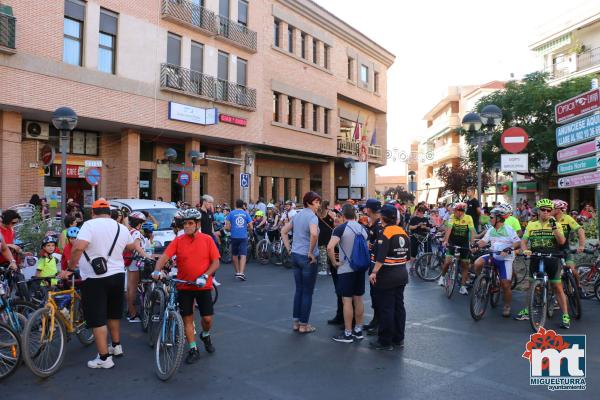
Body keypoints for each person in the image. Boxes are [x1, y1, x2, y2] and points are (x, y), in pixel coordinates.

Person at [60, 199, 147, 369]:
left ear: (92, 212)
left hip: (94, 278)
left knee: (97, 318)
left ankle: (104, 358)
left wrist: (70, 268)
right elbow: (130, 246)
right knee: (113, 314)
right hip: (117, 274)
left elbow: (78, 247)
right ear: (109, 212)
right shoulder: (121, 227)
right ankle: (116, 346)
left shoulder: (89, 226)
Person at [152, 209, 220, 364]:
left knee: (207, 319)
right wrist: (157, 270)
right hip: (184, 286)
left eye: (190, 223)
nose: (187, 226)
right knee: (187, 319)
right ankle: (193, 348)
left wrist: (205, 275)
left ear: (197, 224)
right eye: (185, 223)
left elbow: (216, 262)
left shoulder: (207, 239)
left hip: (202, 286)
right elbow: (165, 256)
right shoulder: (179, 240)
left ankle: (205, 335)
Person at [515, 199, 571, 329]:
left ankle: (565, 315)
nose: (545, 212)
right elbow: (524, 241)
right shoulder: (531, 225)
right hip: (536, 257)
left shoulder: (555, 223)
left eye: (548, 210)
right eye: (543, 210)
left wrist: (554, 227)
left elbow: (562, 241)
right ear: (538, 211)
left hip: (552, 258)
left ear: (551, 211)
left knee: (557, 287)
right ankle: (528, 310)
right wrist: (525, 250)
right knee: (531, 285)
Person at [368, 204, 409, 350]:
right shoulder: (403, 232)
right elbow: (407, 256)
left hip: (387, 276)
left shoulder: (385, 233)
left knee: (386, 308)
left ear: (382, 217)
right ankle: (398, 338)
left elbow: (381, 257)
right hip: (401, 274)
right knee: (399, 307)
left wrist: (374, 272)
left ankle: (385, 341)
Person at [327, 204, 367, 343]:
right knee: (359, 299)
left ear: (343, 216)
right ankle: (358, 330)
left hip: (346, 269)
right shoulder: (362, 228)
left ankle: (348, 333)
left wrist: (334, 262)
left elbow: (330, 247)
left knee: (347, 301)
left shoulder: (340, 228)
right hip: (360, 268)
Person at [282, 191, 321, 334]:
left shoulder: (297, 215)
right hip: (307, 258)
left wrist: (289, 249)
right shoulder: (312, 217)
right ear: (309, 203)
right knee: (307, 292)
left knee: (299, 290)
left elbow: (283, 231)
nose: (318, 205)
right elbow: (314, 233)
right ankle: (304, 325)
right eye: (316, 202)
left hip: (296, 255)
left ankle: (296, 323)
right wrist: (310, 252)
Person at [472, 207, 520, 317]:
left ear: (498, 219)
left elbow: (517, 242)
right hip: (494, 255)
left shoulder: (508, 229)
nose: (490, 219)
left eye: (492, 217)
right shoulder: (491, 230)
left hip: (505, 259)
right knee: (477, 263)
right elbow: (484, 241)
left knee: (505, 285)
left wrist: (509, 248)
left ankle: (507, 305)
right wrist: (476, 245)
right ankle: (483, 280)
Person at [438, 202, 476, 295]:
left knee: (465, 264)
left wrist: (472, 244)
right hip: (452, 241)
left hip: (464, 243)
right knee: (447, 261)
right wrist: (445, 241)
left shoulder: (468, 218)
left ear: (463, 212)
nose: (458, 213)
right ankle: (442, 277)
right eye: (456, 211)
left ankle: (462, 286)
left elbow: (472, 232)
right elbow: (449, 230)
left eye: (461, 211)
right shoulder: (452, 217)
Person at [124, 211, 151, 322]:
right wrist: (147, 256)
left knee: (130, 288)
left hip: (130, 262)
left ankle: (131, 312)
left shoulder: (130, 231)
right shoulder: (137, 233)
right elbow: (137, 247)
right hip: (135, 262)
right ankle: (133, 313)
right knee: (133, 289)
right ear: (139, 223)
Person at [318, 200, 342, 325]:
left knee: (341, 291)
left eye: (338, 218)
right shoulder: (330, 218)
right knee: (341, 291)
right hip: (340, 262)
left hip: (340, 263)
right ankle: (341, 316)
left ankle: (343, 318)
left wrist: (334, 262)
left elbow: (330, 249)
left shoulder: (319, 214)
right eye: (336, 218)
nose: (335, 220)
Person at [553, 199, 585, 286]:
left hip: (565, 249)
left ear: (559, 209)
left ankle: (578, 287)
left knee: (572, 269)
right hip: (552, 249)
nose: (550, 210)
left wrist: (581, 245)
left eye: (552, 208)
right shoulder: (550, 219)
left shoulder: (567, 218)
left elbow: (580, 230)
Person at [363, 198, 382, 335]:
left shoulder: (379, 224)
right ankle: (375, 321)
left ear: (369, 209)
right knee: (374, 294)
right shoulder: (374, 223)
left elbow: (380, 245)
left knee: (377, 294)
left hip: (378, 265)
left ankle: (379, 325)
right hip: (374, 262)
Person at [225, 199, 253, 281]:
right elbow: (251, 226)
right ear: (243, 205)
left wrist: (231, 229)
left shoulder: (231, 213)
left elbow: (226, 227)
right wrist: (247, 229)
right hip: (243, 236)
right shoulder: (246, 214)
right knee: (243, 255)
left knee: (235, 255)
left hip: (234, 236)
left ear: (235, 205)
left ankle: (237, 272)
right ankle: (241, 272)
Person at [408, 206, 431, 272]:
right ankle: (411, 267)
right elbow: (410, 227)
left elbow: (429, 228)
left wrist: (425, 227)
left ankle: (426, 263)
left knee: (428, 249)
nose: (421, 214)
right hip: (415, 236)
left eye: (422, 212)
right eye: (420, 212)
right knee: (413, 252)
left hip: (424, 236)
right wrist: (418, 225)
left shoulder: (426, 219)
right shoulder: (414, 219)